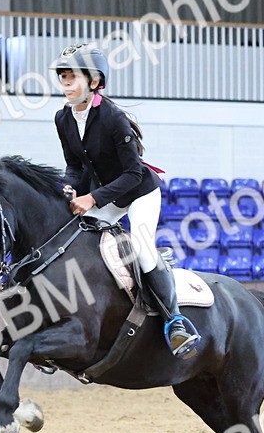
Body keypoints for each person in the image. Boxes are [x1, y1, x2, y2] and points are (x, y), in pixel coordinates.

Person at [51, 43, 200, 358]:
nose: (65, 83)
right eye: (62, 77)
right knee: (79, 241)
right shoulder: (62, 119)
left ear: (94, 82)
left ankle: (175, 321)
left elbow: (133, 174)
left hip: (139, 192)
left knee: (142, 249)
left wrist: (91, 198)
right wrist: (67, 187)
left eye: (72, 77)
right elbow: (75, 166)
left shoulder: (113, 118)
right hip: (105, 194)